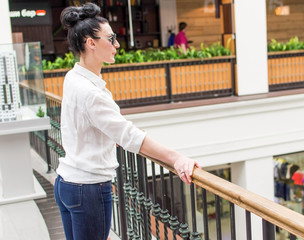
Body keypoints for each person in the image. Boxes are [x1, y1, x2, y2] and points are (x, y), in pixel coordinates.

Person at [54, 3, 200, 240]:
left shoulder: (73, 77)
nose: (117, 44)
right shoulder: (91, 93)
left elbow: (90, 124)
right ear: (91, 43)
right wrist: (177, 159)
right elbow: (130, 136)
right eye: (111, 39)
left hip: (67, 183)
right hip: (88, 189)